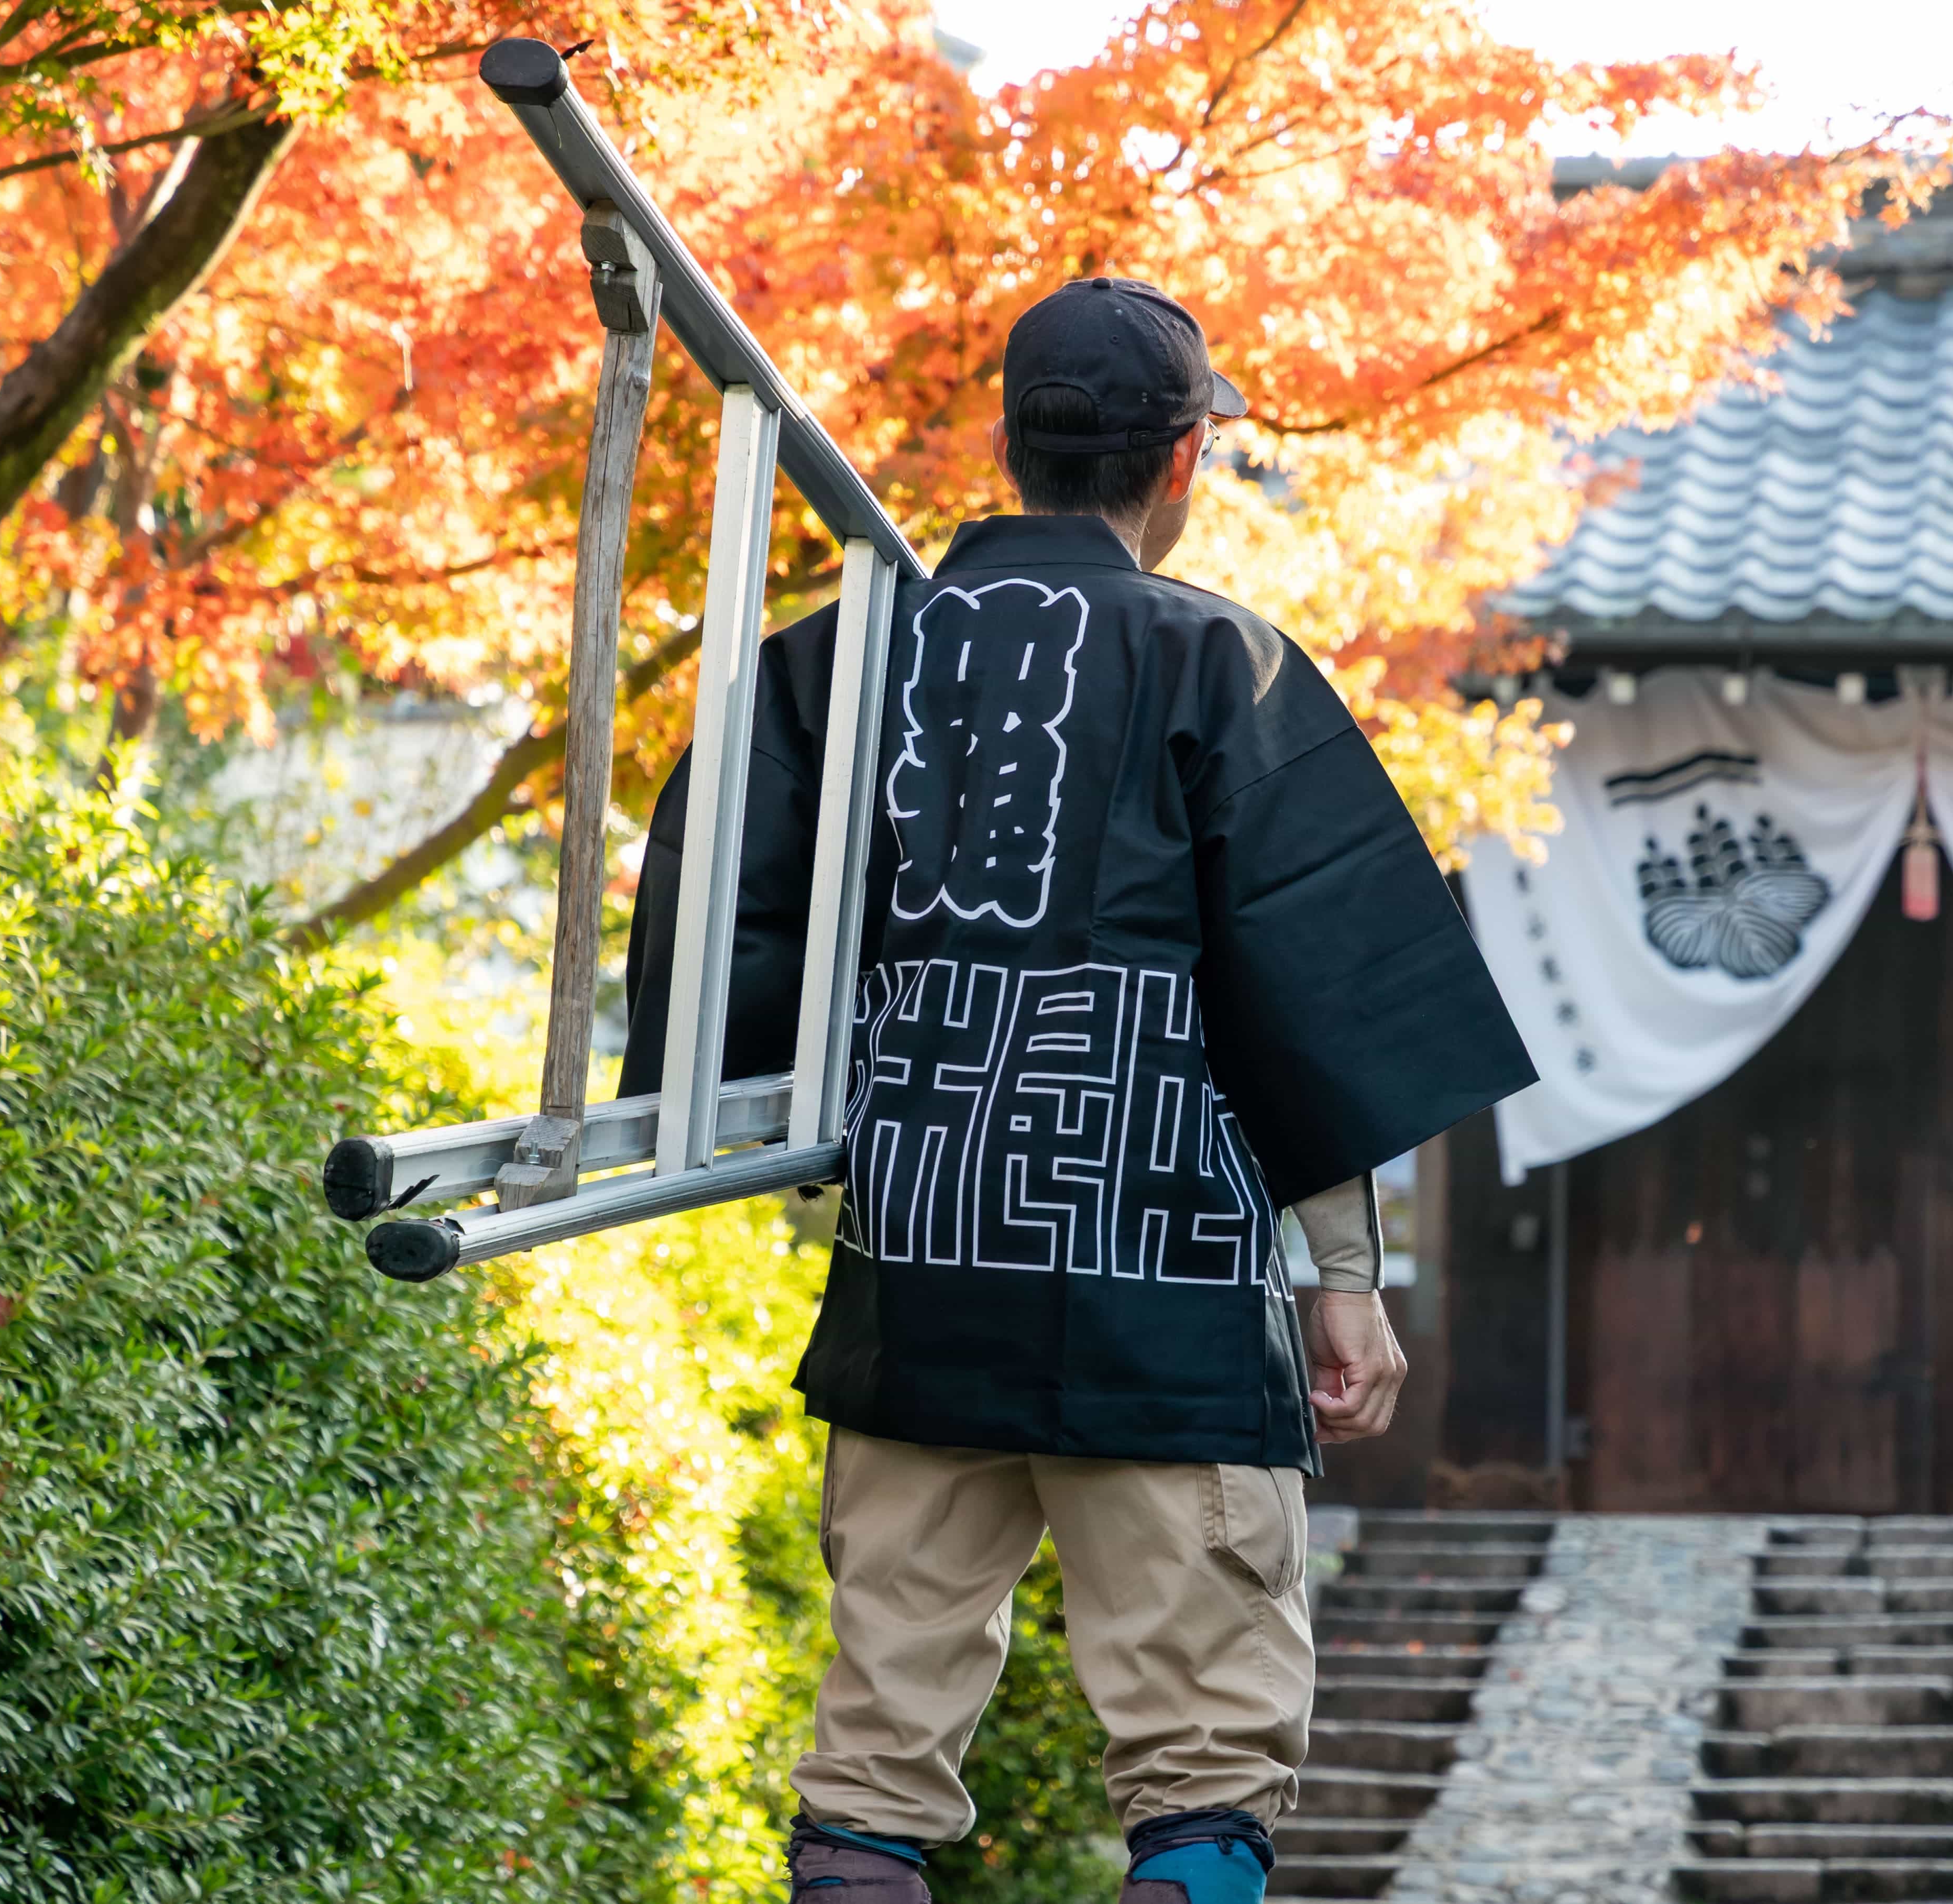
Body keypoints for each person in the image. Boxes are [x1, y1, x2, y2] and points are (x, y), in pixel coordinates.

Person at [617, 278, 1534, 1904]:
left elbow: (724, 925)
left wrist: (817, 1139)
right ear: (1183, 458)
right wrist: (1343, 1283)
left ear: (1007, 442)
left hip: (924, 1263)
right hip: (1159, 1290)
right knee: (1204, 1769)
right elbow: (1301, 993)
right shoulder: (1221, 661)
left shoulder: (836, 658)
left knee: (870, 1768)